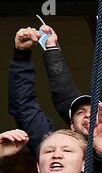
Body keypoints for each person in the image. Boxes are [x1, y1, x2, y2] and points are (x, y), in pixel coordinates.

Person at [9, 22, 87, 153]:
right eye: (80, 112)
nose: (88, 115)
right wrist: (21, 56)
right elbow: (25, 108)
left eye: (97, 111)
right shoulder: (55, 149)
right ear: (72, 125)